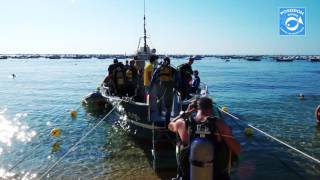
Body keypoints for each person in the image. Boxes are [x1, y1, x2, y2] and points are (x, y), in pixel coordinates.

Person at [168, 97, 241, 180]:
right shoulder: (220, 125)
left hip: (189, 176)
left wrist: (186, 113)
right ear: (211, 108)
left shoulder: (182, 123)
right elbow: (237, 149)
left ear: (195, 108)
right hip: (216, 176)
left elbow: (170, 125)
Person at [150, 57, 177, 123]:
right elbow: (177, 78)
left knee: (159, 99)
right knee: (168, 106)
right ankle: (167, 121)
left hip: (161, 86)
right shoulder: (172, 69)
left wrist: (151, 87)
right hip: (169, 87)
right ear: (169, 62)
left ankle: (160, 113)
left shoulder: (159, 68)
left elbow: (153, 77)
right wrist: (176, 87)